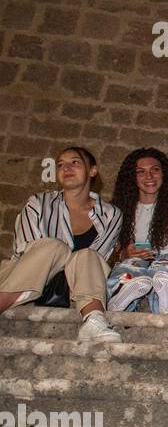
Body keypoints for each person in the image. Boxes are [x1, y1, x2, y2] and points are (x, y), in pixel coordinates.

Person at [0, 147, 123, 343]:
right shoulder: (38, 203)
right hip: (24, 282)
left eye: (74, 162)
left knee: (89, 256)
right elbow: (26, 253)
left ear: (92, 170)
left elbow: (95, 261)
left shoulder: (111, 214)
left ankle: (93, 320)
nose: (66, 168)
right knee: (54, 247)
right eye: (60, 165)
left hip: (75, 290)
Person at [105, 148, 168, 315]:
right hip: (134, 260)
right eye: (141, 172)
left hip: (163, 260)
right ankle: (119, 296)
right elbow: (116, 252)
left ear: (163, 173)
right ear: (132, 177)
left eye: (155, 170)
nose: (149, 176)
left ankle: (165, 301)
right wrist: (126, 253)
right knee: (130, 268)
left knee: (165, 270)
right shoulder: (120, 205)